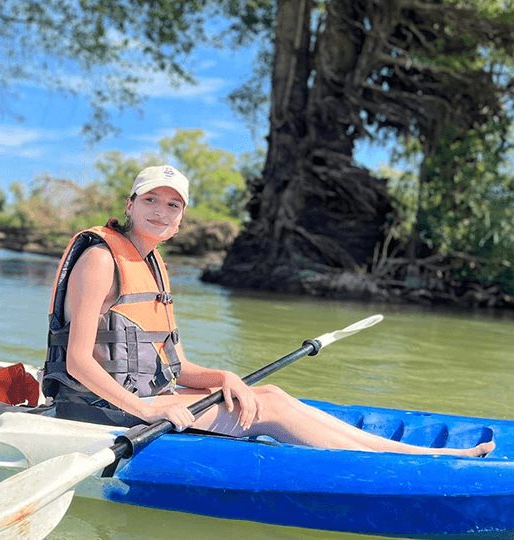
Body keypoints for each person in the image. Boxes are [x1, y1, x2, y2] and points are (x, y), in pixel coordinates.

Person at [41, 164, 494, 457]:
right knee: (269, 412)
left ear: (181, 219)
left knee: (270, 394)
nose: (161, 211)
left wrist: (222, 378)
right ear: (131, 204)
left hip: (141, 399)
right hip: (100, 407)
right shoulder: (102, 258)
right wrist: (143, 409)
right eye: (151, 200)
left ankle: (401, 453)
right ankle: (423, 460)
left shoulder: (154, 263)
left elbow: (170, 365)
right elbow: (80, 362)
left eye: (172, 204)